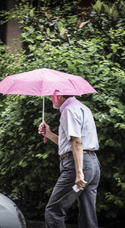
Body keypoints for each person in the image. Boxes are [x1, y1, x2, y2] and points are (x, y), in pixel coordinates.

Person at [38, 94, 100, 228]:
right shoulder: (83, 108)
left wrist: (79, 173)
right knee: (88, 213)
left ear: (58, 95)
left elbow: (77, 142)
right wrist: (48, 134)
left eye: (51, 96)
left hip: (77, 166)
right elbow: (69, 144)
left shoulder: (69, 110)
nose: (49, 99)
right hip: (92, 164)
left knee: (54, 210)